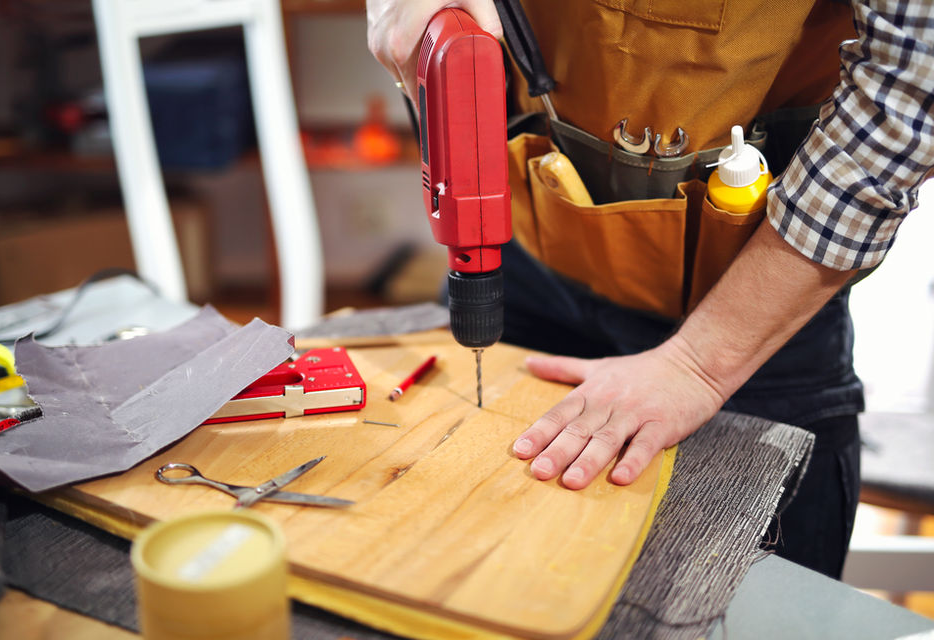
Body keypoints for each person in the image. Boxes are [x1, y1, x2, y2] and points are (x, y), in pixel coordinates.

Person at [366, 0, 934, 578]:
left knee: (734, 599)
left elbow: (911, 91)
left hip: (752, 306)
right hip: (526, 244)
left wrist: (699, 365)